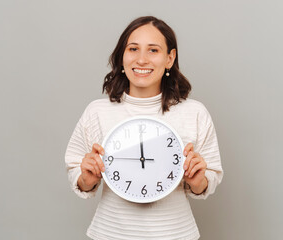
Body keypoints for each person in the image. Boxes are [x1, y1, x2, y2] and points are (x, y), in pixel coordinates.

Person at [65, 16, 223, 240]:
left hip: (175, 234)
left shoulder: (194, 113)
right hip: (110, 234)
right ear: (122, 56)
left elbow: (208, 178)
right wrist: (87, 178)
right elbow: (77, 173)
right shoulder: (97, 112)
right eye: (133, 49)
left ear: (170, 58)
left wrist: (198, 180)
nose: (141, 59)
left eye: (153, 50)